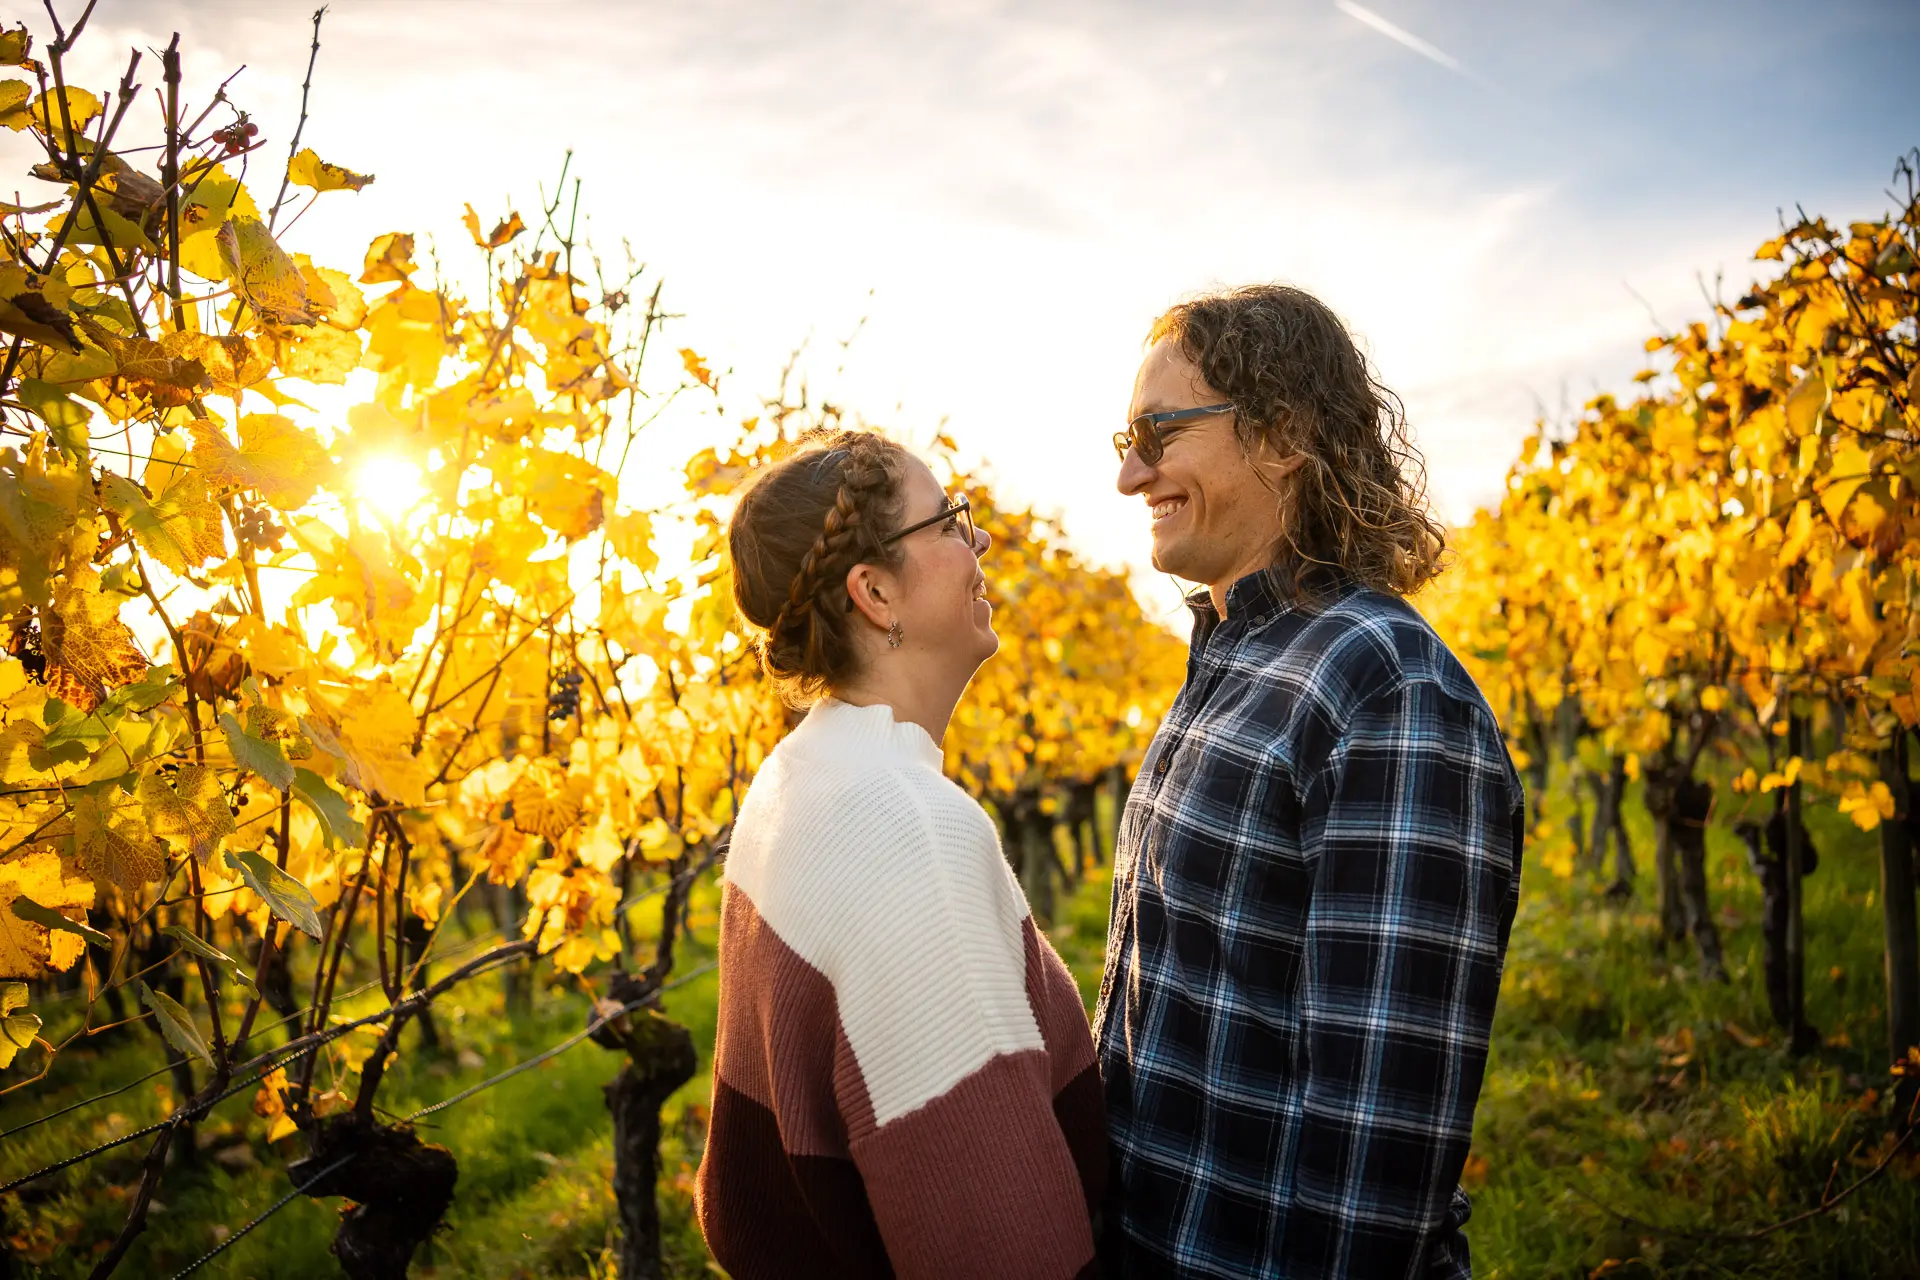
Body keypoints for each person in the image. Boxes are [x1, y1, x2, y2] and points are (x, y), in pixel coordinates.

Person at [1095, 285, 1526, 1278]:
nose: (1127, 473)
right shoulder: (1234, 655)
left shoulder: (1385, 689)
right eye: (1122, 437)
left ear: (1283, 433)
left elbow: (1375, 1160)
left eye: (1158, 433)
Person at [697, 429, 1106, 1279]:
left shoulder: (797, 774)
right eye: (950, 521)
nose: (980, 539)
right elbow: (1000, 1240)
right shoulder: (906, 830)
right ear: (876, 591)